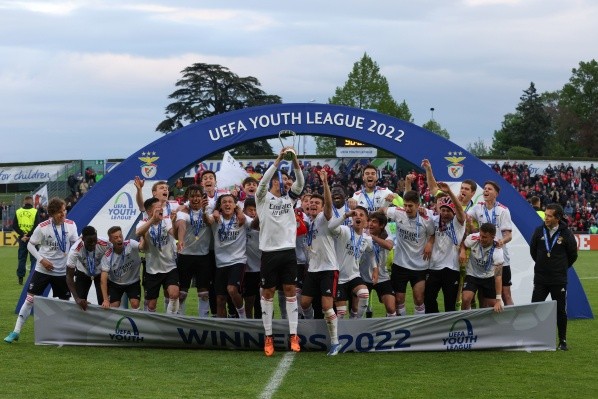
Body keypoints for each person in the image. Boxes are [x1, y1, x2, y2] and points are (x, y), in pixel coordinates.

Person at [5, 197, 79, 343]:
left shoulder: (71, 225)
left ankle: (62, 333)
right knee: (30, 299)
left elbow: (75, 244)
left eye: (64, 211)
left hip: (62, 272)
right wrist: (41, 260)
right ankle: (16, 331)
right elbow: (30, 245)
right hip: (43, 270)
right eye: (59, 212)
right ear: (52, 213)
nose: (63, 214)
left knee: (64, 302)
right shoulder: (42, 227)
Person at [256, 147, 304, 356]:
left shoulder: (289, 200)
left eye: (286, 180)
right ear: (274, 181)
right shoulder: (262, 199)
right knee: (267, 294)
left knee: (291, 292)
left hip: (288, 252)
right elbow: (262, 184)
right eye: (281, 179)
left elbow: (300, 184)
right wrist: (277, 161)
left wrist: (294, 162)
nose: (284, 183)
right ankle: (268, 337)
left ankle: (294, 335)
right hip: (269, 253)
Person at [300, 170, 342, 356]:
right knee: (305, 303)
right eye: (310, 204)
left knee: (327, 306)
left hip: (328, 268)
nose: (313, 206)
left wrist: (325, 183)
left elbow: (328, 205)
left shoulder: (323, 219)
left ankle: (335, 342)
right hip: (313, 269)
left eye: (317, 203)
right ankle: (312, 330)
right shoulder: (307, 222)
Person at [530, 203, 578, 350]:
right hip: (541, 278)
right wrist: (543, 266)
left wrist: (560, 268)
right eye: (546, 215)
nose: (546, 218)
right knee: (535, 308)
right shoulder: (539, 231)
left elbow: (573, 256)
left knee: (560, 310)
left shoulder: (567, 234)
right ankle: (534, 339)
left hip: (558, 279)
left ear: (557, 218)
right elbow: (533, 252)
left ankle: (562, 341)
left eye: (549, 216)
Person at [384, 190, 435, 315]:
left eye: (410, 206)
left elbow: (433, 234)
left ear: (418, 205)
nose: (407, 209)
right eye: (405, 205)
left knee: (418, 299)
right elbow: (382, 211)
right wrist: (386, 201)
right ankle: (403, 328)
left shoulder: (426, 220)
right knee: (399, 300)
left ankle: (417, 329)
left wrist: (429, 243)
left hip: (420, 266)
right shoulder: (398, 213)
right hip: (400, 264)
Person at [467, 181, 514, 306]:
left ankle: (512, 322)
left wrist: (502, 241)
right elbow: (465, 217)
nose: (486, 191)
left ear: (496, 194)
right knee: (484, 296)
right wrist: (471, 226)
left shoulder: (503, 210)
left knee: (505, 293)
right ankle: (484, 324)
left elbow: (509, 235)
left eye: (490, 189)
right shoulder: (478, 207)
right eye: (485, 188)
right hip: (483, 257)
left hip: (500, 256)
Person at [205, 194, 249, 318]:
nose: (227, 204)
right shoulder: (215, 218)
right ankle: (221, 329)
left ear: (235, 205)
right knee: (220, 299)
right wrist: (213, 211)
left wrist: (241, 212)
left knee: (232, 289)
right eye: (224, 202)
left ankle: (243, 318)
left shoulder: (241, 218)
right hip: (220, 263)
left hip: (238, 261)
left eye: (230, 202)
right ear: (220, 206)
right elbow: (207, 221)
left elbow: (254, 225)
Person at [425, 183, 466, 313]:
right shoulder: (435, 220)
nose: (445, 213)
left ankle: (449, 330)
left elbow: (460, 210)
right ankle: (434, 323)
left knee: (450, 303)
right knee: (429, 299)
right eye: (443, 210)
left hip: (452, 268)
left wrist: (450, 193)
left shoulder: (458, 223)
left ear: (453, 211)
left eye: (448, 210)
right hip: (434, 267)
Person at [135, 197, 180, 314]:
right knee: (151, 304)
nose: (161, 210)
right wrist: (152, 220)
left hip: (170, 267)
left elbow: (175, 235)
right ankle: (151, 327)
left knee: (174, 294)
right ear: (149, 211)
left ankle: (170, 322)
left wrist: (174, 222)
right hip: (152, 270)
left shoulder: (167, 221)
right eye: (157, 208)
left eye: (161, 208)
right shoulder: (143, 223)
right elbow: (138, 232)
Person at [175, 185, 212, 316]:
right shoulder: (183, 211)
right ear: (188, 198)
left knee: (204, 293)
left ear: (202, 196)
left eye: (198, 196)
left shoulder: (209, 209)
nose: (195, 198)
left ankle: (204, 321)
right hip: (185, 255)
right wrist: (180, 240)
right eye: (192, 196)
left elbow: (210, 223)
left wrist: (205, 211)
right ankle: (180, 320)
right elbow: (181, 224)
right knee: (182, 293)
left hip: (203, 256)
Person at [330, 206, 373, 319]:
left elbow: (372, 252)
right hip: (338, 278)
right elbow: (331, 227)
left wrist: (375, 268)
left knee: (364, 294)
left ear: (367, 221)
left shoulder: (366, 239)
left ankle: (356, 322)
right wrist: (345, 215)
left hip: (354, 276)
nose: (358, 216)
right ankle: (339, 334)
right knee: (341, 313)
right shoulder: (345, 230)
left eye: (361, 215)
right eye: (355, 215)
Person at [461, 222, 505, 313]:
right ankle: (465, 322)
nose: (481, 239)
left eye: (484, 237)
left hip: (488, 277)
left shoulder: (498, 250)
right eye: (480, 235)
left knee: (492, 306)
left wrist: (498, 299)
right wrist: (462, 252)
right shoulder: (473, 238)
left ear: (493, 237)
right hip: (472, 274)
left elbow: (498, 276)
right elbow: (463, 245)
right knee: (466, 299)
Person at [66, 226, 110, 310]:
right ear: (83, 239)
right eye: (89, 242)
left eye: (95, 240)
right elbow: (69, 277)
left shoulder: (105, 243)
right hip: (83, 272)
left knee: (103, 302)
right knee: (80, 302)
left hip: (100, 273)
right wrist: (77, 299)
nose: (93, 244)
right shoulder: (75, 250)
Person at [100, 226, 144, 310]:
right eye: (116, 238)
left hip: (133, 282)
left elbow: (142, 247)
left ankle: (134, 323)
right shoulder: (107, 256)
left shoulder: (130, 244)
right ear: (110, 240)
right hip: (115, 284)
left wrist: (144, 235)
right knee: (113, 306)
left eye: (120, 236)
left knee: (135, 304)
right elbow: (103, 279)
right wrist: (105, 300)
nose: (119, 239)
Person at [362, 210, 396, 317]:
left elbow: (389, 246)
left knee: (391, 308)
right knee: (357, 308)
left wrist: (372, 237)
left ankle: (390, 331)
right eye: (370, 221)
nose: (370, 224)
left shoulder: (387, 236)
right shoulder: (362, 235)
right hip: (363, 277)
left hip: (382, 277)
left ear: (381, 225)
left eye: (374, 222)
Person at [242, 198, 262, 318]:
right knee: (249, 299)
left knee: (262, 299)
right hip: (248, 268)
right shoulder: (244, 222)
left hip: (262, 267)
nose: (253, 212)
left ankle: (263, 323)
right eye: (250, 210)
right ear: (244, 210)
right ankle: (248, 322)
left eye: (256, 210)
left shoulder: (263, 222)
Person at [13, 196, 39, 285]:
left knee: (22, 259)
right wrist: (28, 235)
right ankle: (32, 278)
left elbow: (14, 226)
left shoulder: (18, 211)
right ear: (31, 202)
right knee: (34, 259)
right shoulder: (35, 211)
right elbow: (37, 226)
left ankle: (20, 278)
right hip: (32, 238)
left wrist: (22, 234)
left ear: (24, 202)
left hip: (22, 238)